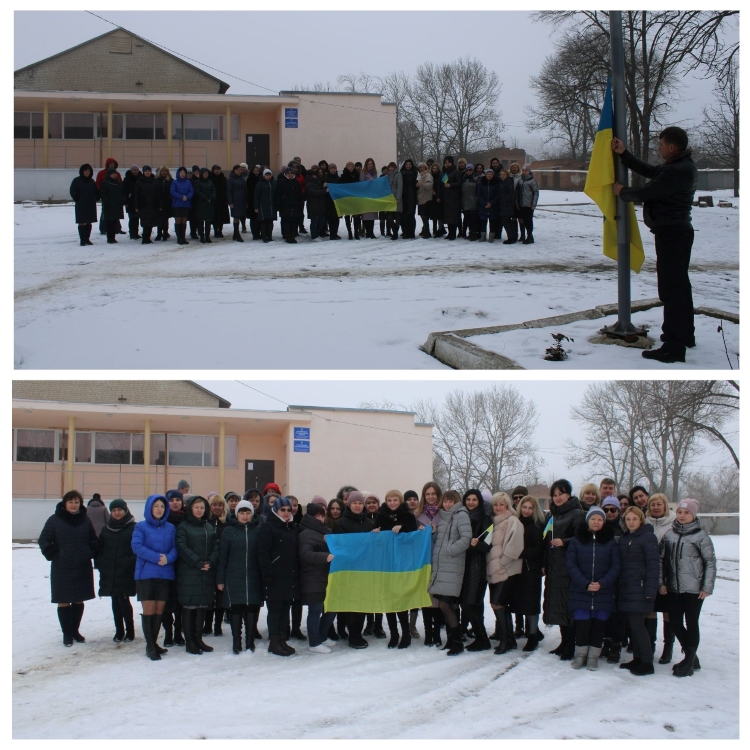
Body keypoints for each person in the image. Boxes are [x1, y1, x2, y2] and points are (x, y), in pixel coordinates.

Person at [612, 126, 698, 363]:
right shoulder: (678, 165)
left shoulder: (678, 169)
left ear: (671, 147)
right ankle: (684, 336)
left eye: (660, 145)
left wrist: (623, 192)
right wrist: (624, 154)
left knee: (671, 291)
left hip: (672, 234)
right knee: (680, 288)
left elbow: (648, 192)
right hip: (675, 232)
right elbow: (651, 172)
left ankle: (673, 346)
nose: (659, 149)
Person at [659, 498, 716, 677]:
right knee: (675, 622)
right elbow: (660, 561)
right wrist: (661, 582)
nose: (682, 516)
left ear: (693, 515)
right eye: (680, 512)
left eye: (687, 513)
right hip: (673, 588)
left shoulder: (701, 536)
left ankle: (689, 661)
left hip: (694, 590)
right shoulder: (669, 535)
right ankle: (692, 656)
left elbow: (710, 562)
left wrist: (707, 586)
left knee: (692, 623)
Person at [38, 490, 98, 647]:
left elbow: (93, 539)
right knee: (63, 600)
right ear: (65, 504)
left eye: (76, 502)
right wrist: (54, 553)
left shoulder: (85, 520)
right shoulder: (55, 520)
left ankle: (75, 630)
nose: (74, 505)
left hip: (82, 566)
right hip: (62, 567)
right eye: (71, 502)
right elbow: (44, 539)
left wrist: (90, 552)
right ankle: (66, 633)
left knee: (79, 599)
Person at [566, 506, 621, 670]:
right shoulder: (577, 541)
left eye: (599, 519)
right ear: (587, 520)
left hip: (603, 591)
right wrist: (584, 582)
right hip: (581, 590)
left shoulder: (610, 542)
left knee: (599, 626)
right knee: (582, 625)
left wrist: (602, 583)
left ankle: (593, 656)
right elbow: (571, 564)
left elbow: (616, 565)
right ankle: (581, 655)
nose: (596, 522)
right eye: (593, 518)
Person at [131, 494, 178, 660]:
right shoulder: (141, 527)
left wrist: (169, 558)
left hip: (165, 574)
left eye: (162, 506)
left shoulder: (171, 528)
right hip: (146, 575)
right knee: (149, 610)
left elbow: (175, 548)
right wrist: (157, 558)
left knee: (160, 610)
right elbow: (137, 546)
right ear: (149, 508)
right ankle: (150, 646)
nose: (159, 509)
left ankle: (154, 643)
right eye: (156, 506)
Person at [543, 479, 585, 660]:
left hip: (568, 568)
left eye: (562, 494)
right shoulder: (551, 516)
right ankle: (563, 642)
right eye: (555, 495)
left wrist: (564, 542)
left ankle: (570, 644)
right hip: (554, 567)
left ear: (569, 494)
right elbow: (545, 540)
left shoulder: (577, 513)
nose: (558, 497)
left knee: (568, 606)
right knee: (558, 606)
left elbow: (582, 538)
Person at [427, 489, 471, 655]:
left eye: (450, 501)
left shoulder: (461, 515)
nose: (447, 504)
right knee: (446, 605)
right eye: (445, 501)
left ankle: (457, 641)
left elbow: (466, 538)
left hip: (452, 566)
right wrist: (434, 533)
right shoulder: (444, 517)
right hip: (443, 567)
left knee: (445, 605)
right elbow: (441, 540)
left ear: (456, 501)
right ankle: (452, 639)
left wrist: (449, 550)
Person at [617, 506, 660, 675]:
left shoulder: (648, 537)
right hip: (627, 589)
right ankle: (637, 658)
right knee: (633, 626)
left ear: (641, 519)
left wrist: (650, 591)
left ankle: (647, 662)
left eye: (634, 519)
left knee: (639, 626)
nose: (631, 522)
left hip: (641, 589)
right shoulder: (624, 538)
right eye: (628, 519)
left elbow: (653, 566)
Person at [217, 499, 263, 654]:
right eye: (242, 513)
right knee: (236, 609)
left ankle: (250, 641)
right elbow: (222, 557)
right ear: (236, 514)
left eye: (247, 512)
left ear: (252, 514)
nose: (245, 516)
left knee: (251, 608)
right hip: (234, 576)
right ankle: (237, 642)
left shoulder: (258, 531)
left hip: (253, 576)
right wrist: (220, 579)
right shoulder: (229, 532)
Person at [257, 496, 300, 656]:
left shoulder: (291, 527)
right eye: (283, 510)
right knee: (275, 611)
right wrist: (267, 573)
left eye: (289, 510)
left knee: (285, 610)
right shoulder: (269, 527)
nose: (286, 513)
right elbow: (263, 552)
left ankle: (282, 639)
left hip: (289, 577)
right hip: (274, 577)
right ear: (276, 510)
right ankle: (274, 642)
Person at [176, 496, 219, 655]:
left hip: (206, 573)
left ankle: (198, 638)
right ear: (190, 509)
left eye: (202, 507)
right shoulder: (183, 526)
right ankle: (190, 642)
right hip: (189, 573)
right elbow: (182, 546)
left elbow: (216, 546)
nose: (199, 510)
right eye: (196, 507)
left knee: (201, 606)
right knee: (189, 607)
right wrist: (198, 562)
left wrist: (211, 562)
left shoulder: (208, 527)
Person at [333, 491, 376, 648]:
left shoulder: (368, 523)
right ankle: (354, 635)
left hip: (365, 570)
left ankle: (357, 632)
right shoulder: (342, 524)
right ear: (349, 505)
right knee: (351, 603)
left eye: (360, 503)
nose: (357, 506)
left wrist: (375, 536)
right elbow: (340, 547)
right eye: (354, 503)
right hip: (349, 570)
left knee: (362, 602)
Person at [377, 490, 419, 648]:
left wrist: (402, 528)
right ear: (386, 501)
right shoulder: (381, 516)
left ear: (400, 501)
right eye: (389, 500)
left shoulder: (408, 516)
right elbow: (377, 539)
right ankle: (394, 634)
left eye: (395, 500)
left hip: (402, 564)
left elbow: (413, 537)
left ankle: (406, 634)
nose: (392, 502)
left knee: (400, 598)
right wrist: (376, 533)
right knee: (389, 599)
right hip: (386, 564)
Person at [486, 492, 524, 655]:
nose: (498, 507)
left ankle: (506, 640)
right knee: (500, 605)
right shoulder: (493, 522)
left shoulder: (513, 521)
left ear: (507, 505)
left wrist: (501, 564)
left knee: (498, 603)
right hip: (494, 571)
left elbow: (515, 546)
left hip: (506, 571)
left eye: (502, 504)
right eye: (496, 504)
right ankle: (509, 639)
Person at [94, 499, 137, 643]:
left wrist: (129, 562)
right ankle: (119, 631)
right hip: (110, 572)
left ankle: (130, 631)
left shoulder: (133, 528)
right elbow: (100, 550)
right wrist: (101, 564)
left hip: (125, 572)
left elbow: (136, 550)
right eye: (114, 510)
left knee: (124, 600)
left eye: (120, 510)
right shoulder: (106, 529)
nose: (117, 513)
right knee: (114, 600)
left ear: (126, 510)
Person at [298, 501, 337, 654]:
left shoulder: (326, 532)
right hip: (312, 578)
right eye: (317, 515)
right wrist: (325, 557)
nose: (320, 518)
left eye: (322, 515)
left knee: (331, 608)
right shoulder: (306, 533)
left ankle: (321, 636)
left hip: (326, 577)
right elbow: (305, 554)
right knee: (315, 610)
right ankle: (314, 642)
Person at [511, 495, 545, 652]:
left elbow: (539, 548)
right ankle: (524, 629)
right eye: (524, 507)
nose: (527, 510)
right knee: (518, 600)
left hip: (531, 569)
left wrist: (520, 552)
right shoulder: (515, 522)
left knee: (531, 602)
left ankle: (532, 635)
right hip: (516, 569)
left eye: (530, 508)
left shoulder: (538, 525)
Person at [646, 493, 677, 664]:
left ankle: (668, 648)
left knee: (667, 611)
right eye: (653, 505)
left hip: (668, 574)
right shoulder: (645, 523)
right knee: (650, 608)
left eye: (659, 504)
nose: (656, 508)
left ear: (665, 506)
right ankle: (650, 646)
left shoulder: (674, 524)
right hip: (649, 573)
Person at [460, 489, 491, 651]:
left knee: (469, 603)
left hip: (477, 566)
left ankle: (482, 638)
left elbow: (488, 545)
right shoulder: (461, 518)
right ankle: (475, 634)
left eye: (474, 500)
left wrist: (476, 544)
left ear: (479, 502)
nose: (471, 502)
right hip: (463, 565)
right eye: (468, 499)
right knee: (471, 603)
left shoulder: (485, 519)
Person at [161, 489, 185, 646]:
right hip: (165, 565)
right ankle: (168, 632)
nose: (175, 503)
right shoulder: (161, 520)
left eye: (178, 500)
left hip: (183, 565)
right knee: (166, 601)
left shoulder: (187, 519)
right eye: (171, 500)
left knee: (180, 602)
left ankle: (178, 632)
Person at [204, 493, 228, 636]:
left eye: (220, 505)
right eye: (214, 505)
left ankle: (217, 625)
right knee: (208, 596)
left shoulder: (228, 523)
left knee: (220, 597)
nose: (217, 507)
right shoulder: (205, 522)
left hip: (222, 564)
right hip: (208, 564)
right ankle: (207, 625)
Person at [69, 163, 97, 246]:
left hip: (90, 204)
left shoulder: (92, 181)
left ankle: (87, 239)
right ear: (82, 172)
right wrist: (78, 198)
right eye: (85, 171)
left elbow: (96, 191)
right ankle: (82, 239)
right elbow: (73, 191)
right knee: (81, 222)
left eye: (88, 171)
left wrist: (96, 197)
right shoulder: (76, 180)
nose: (87, 173)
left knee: (89, 222)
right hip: (81, 204)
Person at [276, 166, 304, 244]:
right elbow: (278, 194)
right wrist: (279, 205)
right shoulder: (281, 182)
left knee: (294, 221)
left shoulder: (296, 182)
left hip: (295, 205)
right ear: (285, 174)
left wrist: (300, 204)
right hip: (285, 205)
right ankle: (287, 235)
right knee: (286, 221)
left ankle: (293, 235)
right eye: (288, 173)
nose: (290, 175)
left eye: (291, 173)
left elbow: (300, 194)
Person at [133, 165, 160, 245]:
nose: (147, 173)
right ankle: (145, 238)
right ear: (143, 172)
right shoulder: (139, 181)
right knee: (145, 222)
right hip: (143, 205)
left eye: (149, 171)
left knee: (151, 222)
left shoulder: (154, 181)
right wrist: (136, 206)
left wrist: (159, 204)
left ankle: (148, 237)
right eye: (146, 171)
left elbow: (158, 193)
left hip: (152, 205)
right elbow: (136, 194)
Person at [95, 157, 123, 235]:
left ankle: (117, 228)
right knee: (105, 212)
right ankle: (103, 228)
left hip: (115, 198)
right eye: (110, 164)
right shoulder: (101, 173)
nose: (112, 165)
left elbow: (120, 183)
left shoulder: (117, 174)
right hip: (106, 196)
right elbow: (98, 183)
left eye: (113, 164)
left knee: (116, 213)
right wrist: (101, 193)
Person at [99, 168, 126, 244]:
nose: (114, 175)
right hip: (109, 205)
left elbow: (121, 192)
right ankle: (110, 238)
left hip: (117, 205)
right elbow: (103, 194)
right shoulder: (105, 183)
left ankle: (113, 237)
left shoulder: (117, 183)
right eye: (113, 174)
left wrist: (122, 200)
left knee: (114, 221)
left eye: (115, 174)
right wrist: (107, 201)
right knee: (109, 222)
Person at [170, 167, 194, 246]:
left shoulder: (188, 182)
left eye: (184, 173)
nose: (183, 174)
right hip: (177, 204)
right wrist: (181, 197)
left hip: (186, 204)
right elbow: (172, 191)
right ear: (178, 173)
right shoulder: (175, 182)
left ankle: (183, 237)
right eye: (181, 173)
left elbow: (191, 191)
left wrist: (187, 197)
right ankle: (179, 238)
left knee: (184, 221)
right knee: (178, 220)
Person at [515, 164, 539, 244]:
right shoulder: (521, 180)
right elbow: (517, 193)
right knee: (523, 220)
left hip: (529, 204)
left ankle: (530, 236)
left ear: (529, 171)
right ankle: (523, 235)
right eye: (523, 170)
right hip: (521, 204)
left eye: (526, 170)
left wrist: (534, 204)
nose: (525, 172)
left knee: (528, 220)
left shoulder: (532, 181)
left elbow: (536, 192)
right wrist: (517, 202)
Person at [440, 156, 462, 240]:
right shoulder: (445, 172)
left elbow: (459, 182)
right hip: (446, 197)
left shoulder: (455, 172)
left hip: (453, 197)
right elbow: (442, 183)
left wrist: (451, 185)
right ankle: (450, 233)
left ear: (452, 163)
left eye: (448, 163)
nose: (447, 164)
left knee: (453, 217)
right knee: (448, 217)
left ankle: (453, 233)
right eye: (445, 163)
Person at [193, 168, 217, 244]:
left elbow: (214, 190)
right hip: (201, 204)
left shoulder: (210, 182)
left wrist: (211, 197)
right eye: (204, 173)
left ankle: (207, 236)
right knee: (201, 221)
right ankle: (202, 236)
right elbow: (198, 192)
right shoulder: (197, 182)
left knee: (208, 221)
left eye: (207, 173)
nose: (206, 175)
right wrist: (205, 198)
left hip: (209, 204)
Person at [304, 165, 328, 241]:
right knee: (315, 222)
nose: (315, 176)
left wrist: (323, 187)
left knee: (321, 221)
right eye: (313, 175)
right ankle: (314, 236)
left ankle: (317, 234)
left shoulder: (317, 182)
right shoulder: (308, 184)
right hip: (313, 206)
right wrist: (324, 190)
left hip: (320, 205)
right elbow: (314, 192)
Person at [339, 161, 362, 240]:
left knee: (356, 216)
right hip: (347, 198)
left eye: (352, 166)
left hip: (355, 198)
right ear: (346, 167)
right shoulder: (343, 176)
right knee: (347, 215)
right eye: (349, 166)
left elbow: (361, 184)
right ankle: (349, 232)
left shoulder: (357, 175)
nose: (350, 168)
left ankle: (356, 232)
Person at [227, 164, 249, 242]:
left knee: (239, 216)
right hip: (235, 201)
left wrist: (246, 201)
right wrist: (230, 202)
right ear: (234, 170)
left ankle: (235, 234)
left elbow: (245, 190)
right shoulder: (231, 179)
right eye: (238, 170)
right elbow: (228, 191)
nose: (239, 171)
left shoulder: (242, 179)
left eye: (240, 169)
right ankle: (237, 234)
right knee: (236, 217)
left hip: (242, 200)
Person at [359, 158, 379, 239]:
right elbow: (361, 184)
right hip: (365, 196)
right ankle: (368, 232)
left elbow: (377, 183)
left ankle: (372, 232)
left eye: (371, 164)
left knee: (372, 216)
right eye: (369, 164)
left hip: (372, 196)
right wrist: (368, 182)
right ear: (366, 165)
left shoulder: (375, 173)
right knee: (366, 216)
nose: (370, 165)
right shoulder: (363, 173)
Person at [477, 168, 499, 242]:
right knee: (483, 222)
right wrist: (484, 203)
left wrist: (491, 203)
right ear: (485, 175)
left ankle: (491, 237)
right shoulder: (481, 183)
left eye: (491, 174)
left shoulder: (496, 183)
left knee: (492, 222)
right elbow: (479, 195)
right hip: (483, 206)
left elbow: (497, 195)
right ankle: (483, 236)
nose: (489, 176)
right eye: (488, 174)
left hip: (493, 206)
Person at [254, 168, 276, 243]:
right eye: (267, 175)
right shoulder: (260, 184)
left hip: (272, 205)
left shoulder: (273, 183)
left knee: (270, 221)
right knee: (264, 221)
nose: (268, 176)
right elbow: (256, 196)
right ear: (264, 176)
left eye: (269, 175)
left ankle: (269, 236)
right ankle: (264, 236)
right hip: (263, 205)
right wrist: (256, 207)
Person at [459, 164, 479, 241]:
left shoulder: (476, 178)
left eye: (470, 170)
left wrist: (476, 199)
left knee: (473, 219)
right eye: (467, 170)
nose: (468, 171)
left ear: (473, 170)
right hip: (464, 202)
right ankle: (464, 232)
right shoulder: (463, 178)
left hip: (473, 202)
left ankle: (473, 233)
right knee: (466, 218)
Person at [323, 163, 342, 240]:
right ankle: (332, 234)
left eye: (334, 168)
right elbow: (323, 188)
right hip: (329, 201)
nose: (333, 170)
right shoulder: (326, 178)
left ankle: (335, 233)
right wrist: (324, 185)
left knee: (337, 218)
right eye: (331, 169)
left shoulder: (338, 178)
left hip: (337, 200)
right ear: (329, 170)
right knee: (331, 218)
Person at [122, 164, 142, 239]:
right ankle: (132, 233)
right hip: (130, 202)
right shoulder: (127, 179)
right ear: (131, 171)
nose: (135, 171)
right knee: (132, 218)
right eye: (134, 170)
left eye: (136, 170)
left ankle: (136, 232)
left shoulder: (140, 178)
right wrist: (125, 201)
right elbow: (124, 191)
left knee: (137, 218)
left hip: (138, 201)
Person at [209, 165, 230, 239]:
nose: (217, 171)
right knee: (215, 217)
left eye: (219, 169)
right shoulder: (210, 178)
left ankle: (220, 231)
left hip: (222, 200)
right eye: (216, 169)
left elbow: (227, 189)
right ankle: (215, 231)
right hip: (214, 201)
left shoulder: (223, 178)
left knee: (222, 217)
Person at [400, 159, 418, 239]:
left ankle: (411, 232)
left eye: (409, 164)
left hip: (412, 196)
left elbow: (418, 183)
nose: (408, 165)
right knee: (404, 216)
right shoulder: (401, 173)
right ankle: (405, 232)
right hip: (403, 196)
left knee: (411, 215)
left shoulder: (415, 173)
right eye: (406, 164)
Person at [416, 162, 434, 238]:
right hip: (420, 198)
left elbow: (429, 185)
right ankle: (424, 229)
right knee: (421, 215)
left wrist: (422, 184)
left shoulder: (428, 175)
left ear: (426, 168)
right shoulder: (418, 176)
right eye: (420, 167)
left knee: (424, 216)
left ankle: (427, 231)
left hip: (426, 198)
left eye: (423, 167)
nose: (421, 169)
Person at [154, 166, 173, 241]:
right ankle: (159, 234)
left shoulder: (171, 181)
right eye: (163, 171)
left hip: (167, 203)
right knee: (159, 219)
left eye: (166, 171)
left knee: (165, 219)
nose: (164, 172)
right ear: (160, 172)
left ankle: (165, 233)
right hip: (158, 202)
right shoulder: (156, 180)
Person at [245, 165, 262, 240]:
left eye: (258, 171)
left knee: (259, 218)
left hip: (260, 201)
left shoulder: (261, 179)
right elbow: (248, 191)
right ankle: (254, 234)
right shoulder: (249, 179)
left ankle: (258, 233)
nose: (257, 172)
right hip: (251, 201)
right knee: (253, 218)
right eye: (255, 171)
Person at [429, 162, 444, 237]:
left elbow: (442, 187)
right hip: (432, 197)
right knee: (434, 214)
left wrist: (439, 196)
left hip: (439, 196)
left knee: (439, 215)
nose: (435, 170)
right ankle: (435, 229)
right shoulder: (430, 176)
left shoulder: (442, 175)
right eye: (433, 168)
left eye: (436, 168)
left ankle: (441, 229)